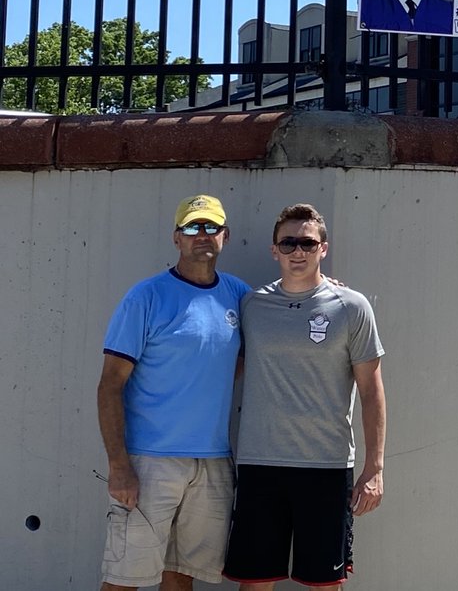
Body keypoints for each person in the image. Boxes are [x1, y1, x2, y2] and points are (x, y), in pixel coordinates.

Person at [223, 203, 386, 589]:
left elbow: (372, 391)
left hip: (326, 467)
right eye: (289, 242)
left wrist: (375, 469)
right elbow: (227, 369)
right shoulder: (251, 304)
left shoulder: (352, 306)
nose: (298, 251)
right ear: (274, 250)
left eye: (308, 243)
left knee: (324, 583)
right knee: (255, 580)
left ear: (323, 249)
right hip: (260, 462)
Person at [97, 194, 248, 591]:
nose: (203, 235)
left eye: (211, 227)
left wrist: (324, 283)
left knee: (182, 576)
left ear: (225, 236)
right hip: (149, 463)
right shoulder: (146, 297)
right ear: (176, 238)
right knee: (124, 579)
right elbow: (110, 385)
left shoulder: (238, 295)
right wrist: (119, 466)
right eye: (193, 227)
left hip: (213, 462)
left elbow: (282, 313)